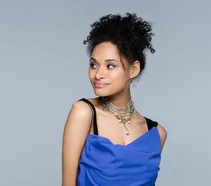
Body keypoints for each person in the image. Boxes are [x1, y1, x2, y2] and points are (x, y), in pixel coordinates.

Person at [61, 12, 168, 186]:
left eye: (110, 66)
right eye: (94, 65)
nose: (98, 74)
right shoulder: (84, 113)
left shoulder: (157, 134)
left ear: (133, 70)